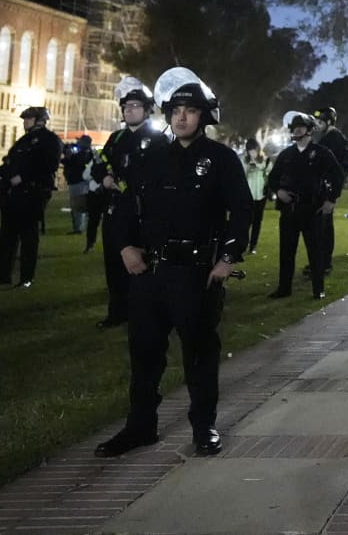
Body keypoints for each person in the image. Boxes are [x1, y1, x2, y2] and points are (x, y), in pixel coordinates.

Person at [94, 67, 251, 459]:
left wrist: (227, 259)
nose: (181, 117)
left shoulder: (220, 159)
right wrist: (125, 246)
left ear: (203, 116)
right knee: (144, 354)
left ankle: (203, 427)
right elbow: (126, 206)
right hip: (149, 273)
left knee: (199, 354)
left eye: (190, 110)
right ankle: (140, 427)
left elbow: (241, 211)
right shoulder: (151, 158)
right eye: (176, 110)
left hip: (196, 275)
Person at [91, 78, 169, 328]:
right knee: (113, 262)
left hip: (141, 211)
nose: (129, 110)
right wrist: (105, 178)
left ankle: (142, 313)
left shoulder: (157, 140)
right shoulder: (116, 138)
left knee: (139, 263)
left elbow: (157, 175)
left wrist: (127, 180)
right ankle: (117, 311)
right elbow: (99, 164)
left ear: (147, 110)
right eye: (125, 107)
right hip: (114, 208)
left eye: (135, 106)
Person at [0, 106, 62, 289]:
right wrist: (2, 187)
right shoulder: (24, 140)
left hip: (33, 193)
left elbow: (48, 165)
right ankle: (2, 275)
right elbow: (10, 163)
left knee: (28, 237)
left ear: (40, 120)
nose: (25, 122)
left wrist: (24, 177)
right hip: (14, 194)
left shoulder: (50, 140)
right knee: (7, 236)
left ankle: (26, 277)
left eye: (29, 119)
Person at [266, 112, 344, 299]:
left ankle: (318, 289)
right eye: (294, 127)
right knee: (286, 251)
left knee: (315, 251)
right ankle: (284, 288)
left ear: (309, 130)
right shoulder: (286, 154)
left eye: (300, 127)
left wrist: (331, 200)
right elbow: (273, 178)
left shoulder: (322, 153)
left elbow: (338, 176)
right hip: (289, 209)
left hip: (312, 209)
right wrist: (279, 191)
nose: (297, 130)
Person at [309, 106, 348, 277]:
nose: (317, 124)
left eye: (320, 121)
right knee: (321, 227)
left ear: (328, 122)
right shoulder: (330, 137)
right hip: (324, 188)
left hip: (327, 190)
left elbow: (334, 171)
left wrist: (332, 197)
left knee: (324, 228)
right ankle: (319, 262)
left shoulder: (334, 139)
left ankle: (323, 264)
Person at [241, 139, 271, 255]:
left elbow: (269, 172)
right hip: (248, 194)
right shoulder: (244, 160)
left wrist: (259, 167)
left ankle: (253, 245)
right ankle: (243, 244)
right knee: (246, 221)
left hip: (260, 195)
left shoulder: (265, 160)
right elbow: (241, 175)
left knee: (257, 221)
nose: (252, 153)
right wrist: (249, 167)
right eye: (250, 150)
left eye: (254, 150)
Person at [62, 135, 94, 234]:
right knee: (82, 205)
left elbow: (69, 162)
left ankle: (78, 228)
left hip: (77, 182)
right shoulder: (89, 153)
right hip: (83, 182)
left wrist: (68, 155)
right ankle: (81, 227)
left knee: (77, 206)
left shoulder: (82, 155)